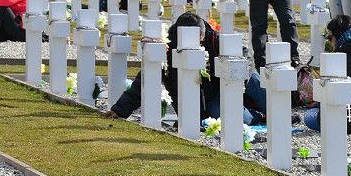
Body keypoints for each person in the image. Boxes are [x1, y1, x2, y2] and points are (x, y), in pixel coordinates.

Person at [105, 12, 268, 124]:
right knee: (228, 117)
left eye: (201, 40)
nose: (198, 45)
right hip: (204, 104)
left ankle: (278, 113)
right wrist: (120, 110)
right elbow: (145, 79)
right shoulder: (168, 50)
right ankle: (257, 116)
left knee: (253, 78)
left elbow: (245, 57)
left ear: (204, 34)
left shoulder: (216, 41)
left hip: (226, 87)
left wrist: (239, 82)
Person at [301, 15, 351, 133]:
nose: (329, 42)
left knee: (309, 116)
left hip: (349, 122)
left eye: (329, 37)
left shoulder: (338, 59)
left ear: (338, 36)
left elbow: (326, 96)